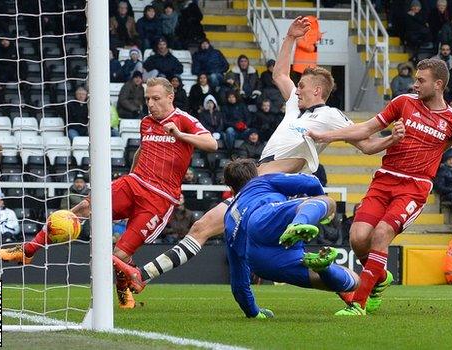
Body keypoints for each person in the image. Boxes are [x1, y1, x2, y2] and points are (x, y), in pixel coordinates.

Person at [110, 17, 404, 297]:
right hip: (254, 186)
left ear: (317, 90)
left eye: (301, 85)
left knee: (282, 261)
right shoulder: (294, 105)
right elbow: (279, 73)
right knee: (202, 228)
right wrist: (290, 37)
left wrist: (391, 138)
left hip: (277, 190)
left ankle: (361, 282)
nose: (295, 88)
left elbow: (365, 144)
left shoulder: (330, 116)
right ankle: (141, 275)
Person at [0, 77, 218, 310]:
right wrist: (129, 180)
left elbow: (212, 144)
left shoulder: (183, 120)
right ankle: (28, 251)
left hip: (159, 199)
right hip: (134, 183)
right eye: (148, 99)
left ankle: (123, 290)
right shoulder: (146, 122)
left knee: (119, 254)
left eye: (156, 98)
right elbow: (142, 152)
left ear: (170, 97)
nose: (150, 104)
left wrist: (180, 136)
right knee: (81, 208)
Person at [308, 58, 452, 316]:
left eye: (420, 80)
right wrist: (327, 136)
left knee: (381, 234)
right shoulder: (403, 103)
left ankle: (358, 303)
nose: (415, 84)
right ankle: (380, 278)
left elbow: (445, 145)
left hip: (413, 188)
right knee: (358, 238)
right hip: (384, 180)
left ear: (438, 85)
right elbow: (367, 129)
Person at [222, 159, 360, 318]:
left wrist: (253, 313)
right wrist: (318, 205)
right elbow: (311, 181)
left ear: (231, 188)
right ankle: (299, 223)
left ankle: (323, 268)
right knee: (327, 202)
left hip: (261, 261)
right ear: (255, 173)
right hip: (264, 219)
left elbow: (239, 283)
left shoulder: (228, 219)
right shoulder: (261, 181)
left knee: (350, 281)